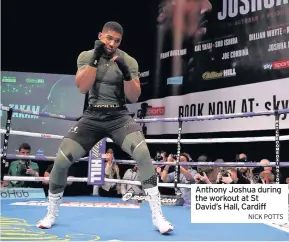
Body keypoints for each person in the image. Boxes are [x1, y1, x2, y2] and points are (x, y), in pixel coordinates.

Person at [36, 21, 173, 234]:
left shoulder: (128, 60)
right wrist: (95, 58)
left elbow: (134, 96)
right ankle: (51, 212)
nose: (112, 43)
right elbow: (82, 87)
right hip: (92, 115)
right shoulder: (85, 56)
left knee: (143, 153)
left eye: (116, 40)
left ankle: (158, 216)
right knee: (61, 161)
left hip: (118, 116)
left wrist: (126, 73)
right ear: (101, 36)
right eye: (109, 38)